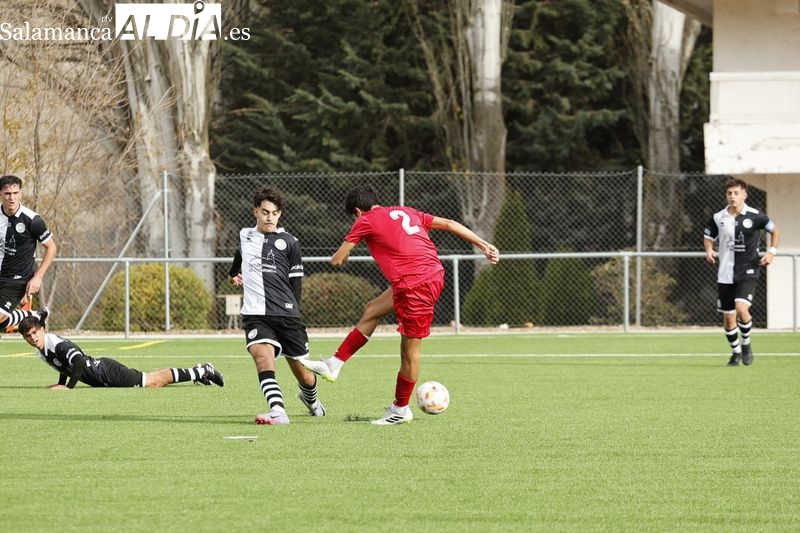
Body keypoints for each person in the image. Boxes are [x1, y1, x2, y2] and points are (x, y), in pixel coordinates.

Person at [302, 184, 499, 425]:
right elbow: (449, 223)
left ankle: (400, 409)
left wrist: (347, 252)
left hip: (416, 284)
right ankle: (334, 364)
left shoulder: (365, 220)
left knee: (409, 351)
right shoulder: (405, 211)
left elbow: (337, 260)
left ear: (357, 211)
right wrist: (483, 244)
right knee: (373, 309)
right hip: (428, 274)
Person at [229, 186, 325, 425]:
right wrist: (233, 274)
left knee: (303, 374)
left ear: (279, 214)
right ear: (255, 212)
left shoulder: (290, 242)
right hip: (256, 315)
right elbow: (239, 255)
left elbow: (296, 282)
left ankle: (311, 399)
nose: (269, 217)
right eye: (265, 212)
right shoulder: (245, 235)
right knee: (263, 359)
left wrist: (295, 312)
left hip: (287, 316)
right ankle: (278, 411)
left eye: (274, 213)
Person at [18, 314, 224, 389]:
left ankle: (202, 371)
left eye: (35, 332)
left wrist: (68, 388)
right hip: (101, 376)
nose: (33, 337)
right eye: (28, 336)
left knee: (154, 381)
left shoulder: (56, 344)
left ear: (42, 329)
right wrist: (61, 383)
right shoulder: (42, 350)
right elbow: (63, 364)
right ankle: (199, 372)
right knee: (153, 382)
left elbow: (78, 361)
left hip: (106, 371)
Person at [704, 177, 780, 367]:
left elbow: (775, 231)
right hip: (725, 273)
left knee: (741, 309)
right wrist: (709, 250)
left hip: (748, 270)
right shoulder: (719, 217)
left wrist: (771, 252)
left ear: (744, 195)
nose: (732, 196)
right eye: (729, 193)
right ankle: (736, 352)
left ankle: (746, 344)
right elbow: (708, 236)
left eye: (736, 193)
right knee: (729, 318)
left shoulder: (755, 216)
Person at [1, 175, 56, 333]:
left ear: (21, 194)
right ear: (1, 194)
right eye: (7, 194)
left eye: (15, 193)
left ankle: (31, 315)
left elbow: (51, 247)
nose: (12, 198)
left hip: (16, 279)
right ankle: (35, 315)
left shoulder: (32, 220)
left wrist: (38, 277)